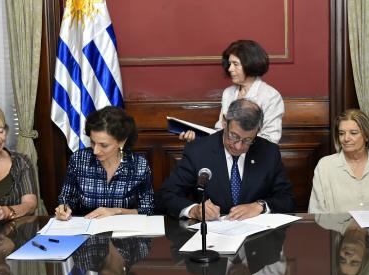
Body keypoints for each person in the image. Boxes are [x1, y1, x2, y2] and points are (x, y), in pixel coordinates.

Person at [158, 98, 296, 220]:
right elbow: (167, 195)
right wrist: (194, 210)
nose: (238, 146)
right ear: (225, 122)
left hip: (256, 240)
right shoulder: (198, 151)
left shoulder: (268, 152)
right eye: (234, 136)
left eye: (248, 140)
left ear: (257, 131)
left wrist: (260, 206)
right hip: (212, 239)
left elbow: (287, 199)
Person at [55, 106, 154, 220]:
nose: (96, 150)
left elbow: (148, 209)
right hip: (86, 229)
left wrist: (118, 211)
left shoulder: (139, 165)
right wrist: (64, 208)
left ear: (122, 141)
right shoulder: (79, 159)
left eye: (104, 145)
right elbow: (67, 198)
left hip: (123, 232)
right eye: (92, 142)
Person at [178, 39, 285, 144]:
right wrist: (197, 138)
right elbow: (220, 130)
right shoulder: (228, 93)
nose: (230, 69)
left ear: (250, 64)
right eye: (229, 64)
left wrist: (240, 142)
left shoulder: (271, 96)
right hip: (227, 155)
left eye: (235, 64)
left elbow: (271, 139)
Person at [308, 109, 369, 213]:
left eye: (353, 133)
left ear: (367, 136)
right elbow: (316, 211)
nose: (346, 138)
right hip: (338, 229)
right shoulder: (325, 166)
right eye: (341, 133)